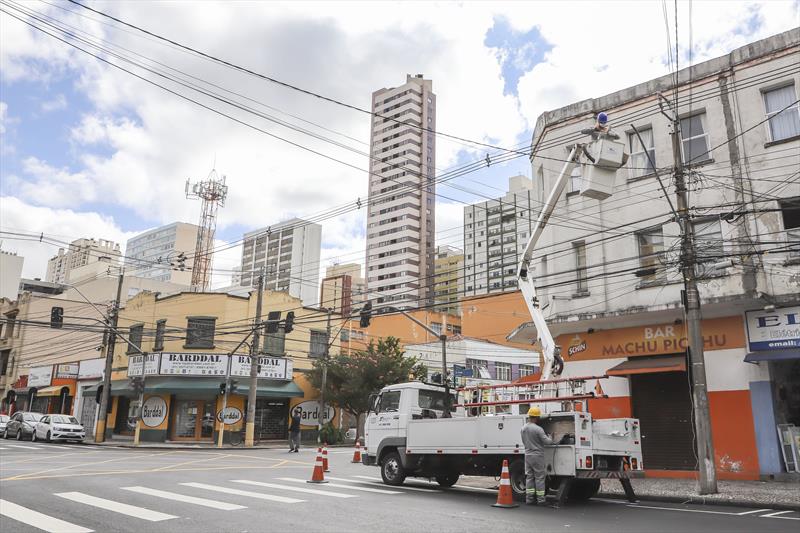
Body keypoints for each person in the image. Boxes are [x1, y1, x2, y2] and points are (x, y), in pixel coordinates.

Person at [520, 406, 553, 505]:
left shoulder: (523, 428)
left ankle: (529, 499)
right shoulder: (538, 429)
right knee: (539, 478)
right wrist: (551, 437)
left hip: (527, 455)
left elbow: (524, 441)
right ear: (536, 417)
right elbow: (547, 442)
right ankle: (541, 500)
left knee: (529, 477)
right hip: (537, 455)